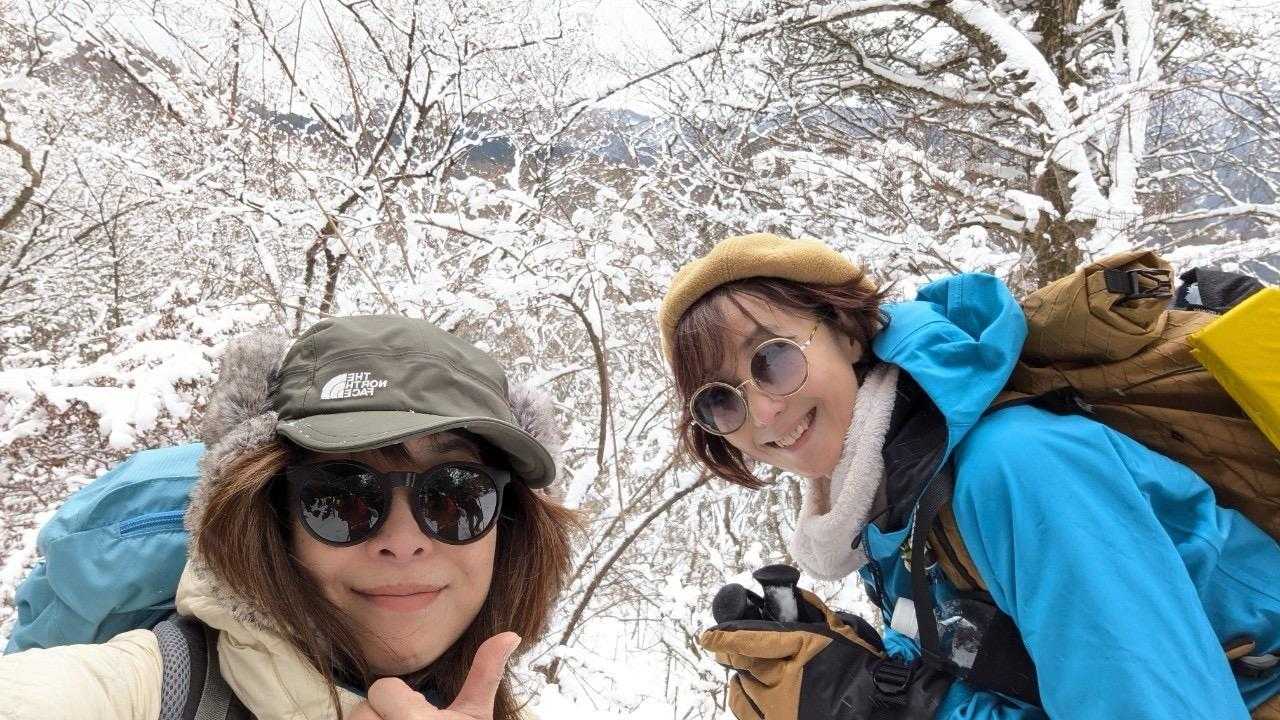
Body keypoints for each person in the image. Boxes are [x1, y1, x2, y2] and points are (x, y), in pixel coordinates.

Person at [657, 233, 1280, 719]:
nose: (764, 413)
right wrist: (862, 669)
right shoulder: (892, 497)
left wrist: (883, 708)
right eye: (721, 401)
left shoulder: (1015, 468)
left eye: (771, 359)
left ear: (846, 332)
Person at [0, 315, 576, 720]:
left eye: (454, 497)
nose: (403, 542)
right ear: (272, 523)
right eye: (342, 499)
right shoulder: (138, 693)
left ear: (508, 529)